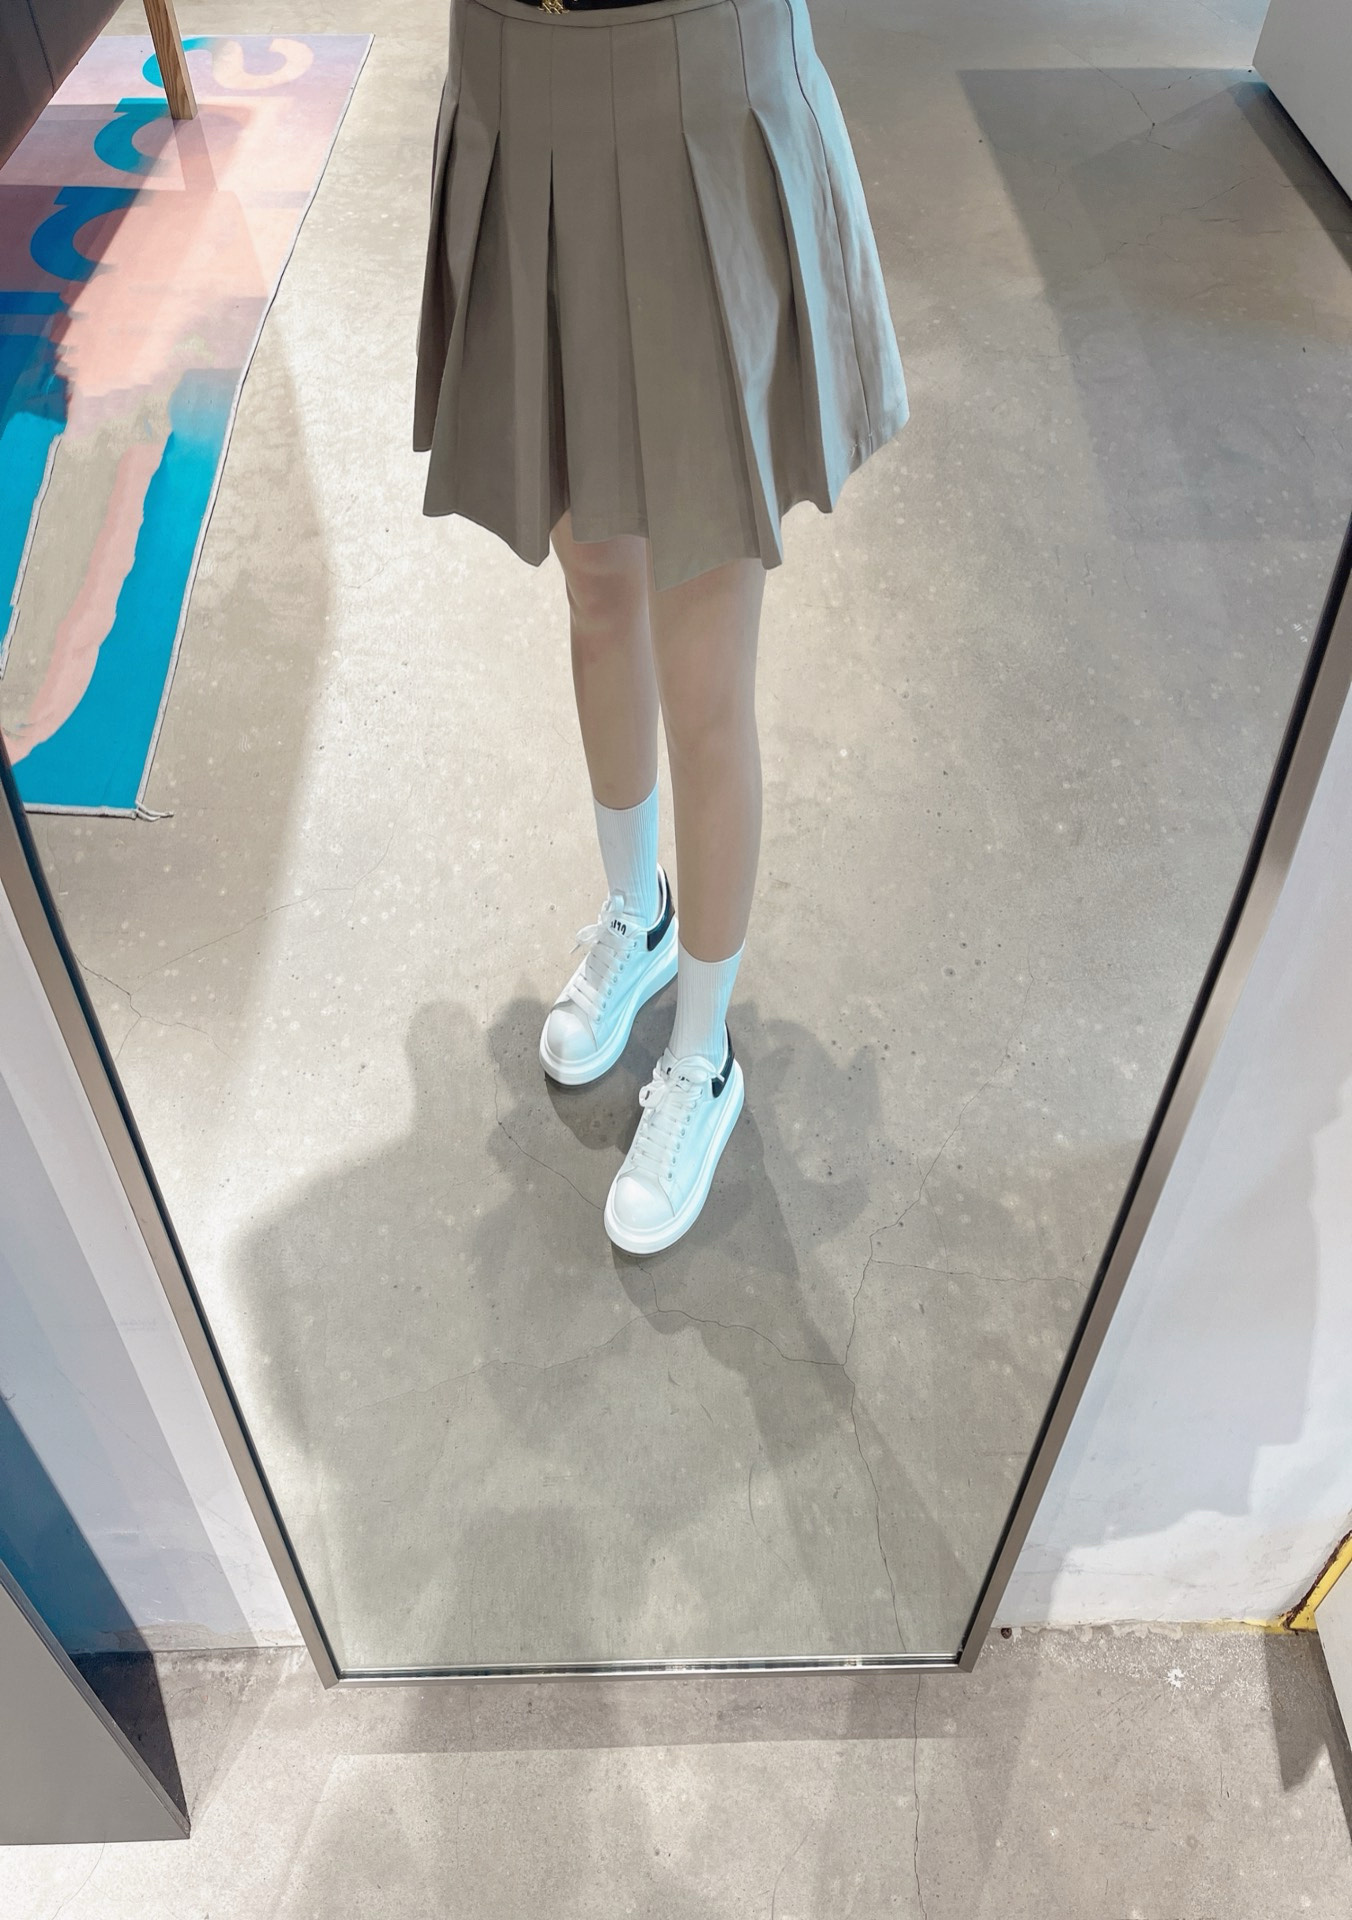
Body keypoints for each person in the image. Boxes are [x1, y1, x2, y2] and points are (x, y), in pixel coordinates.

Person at [415, 0, 906, 1253]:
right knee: (595, 590)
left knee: (703, 670)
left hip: (693, 74)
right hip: (516, 78)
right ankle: (634, 915)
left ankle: (702, 1051)